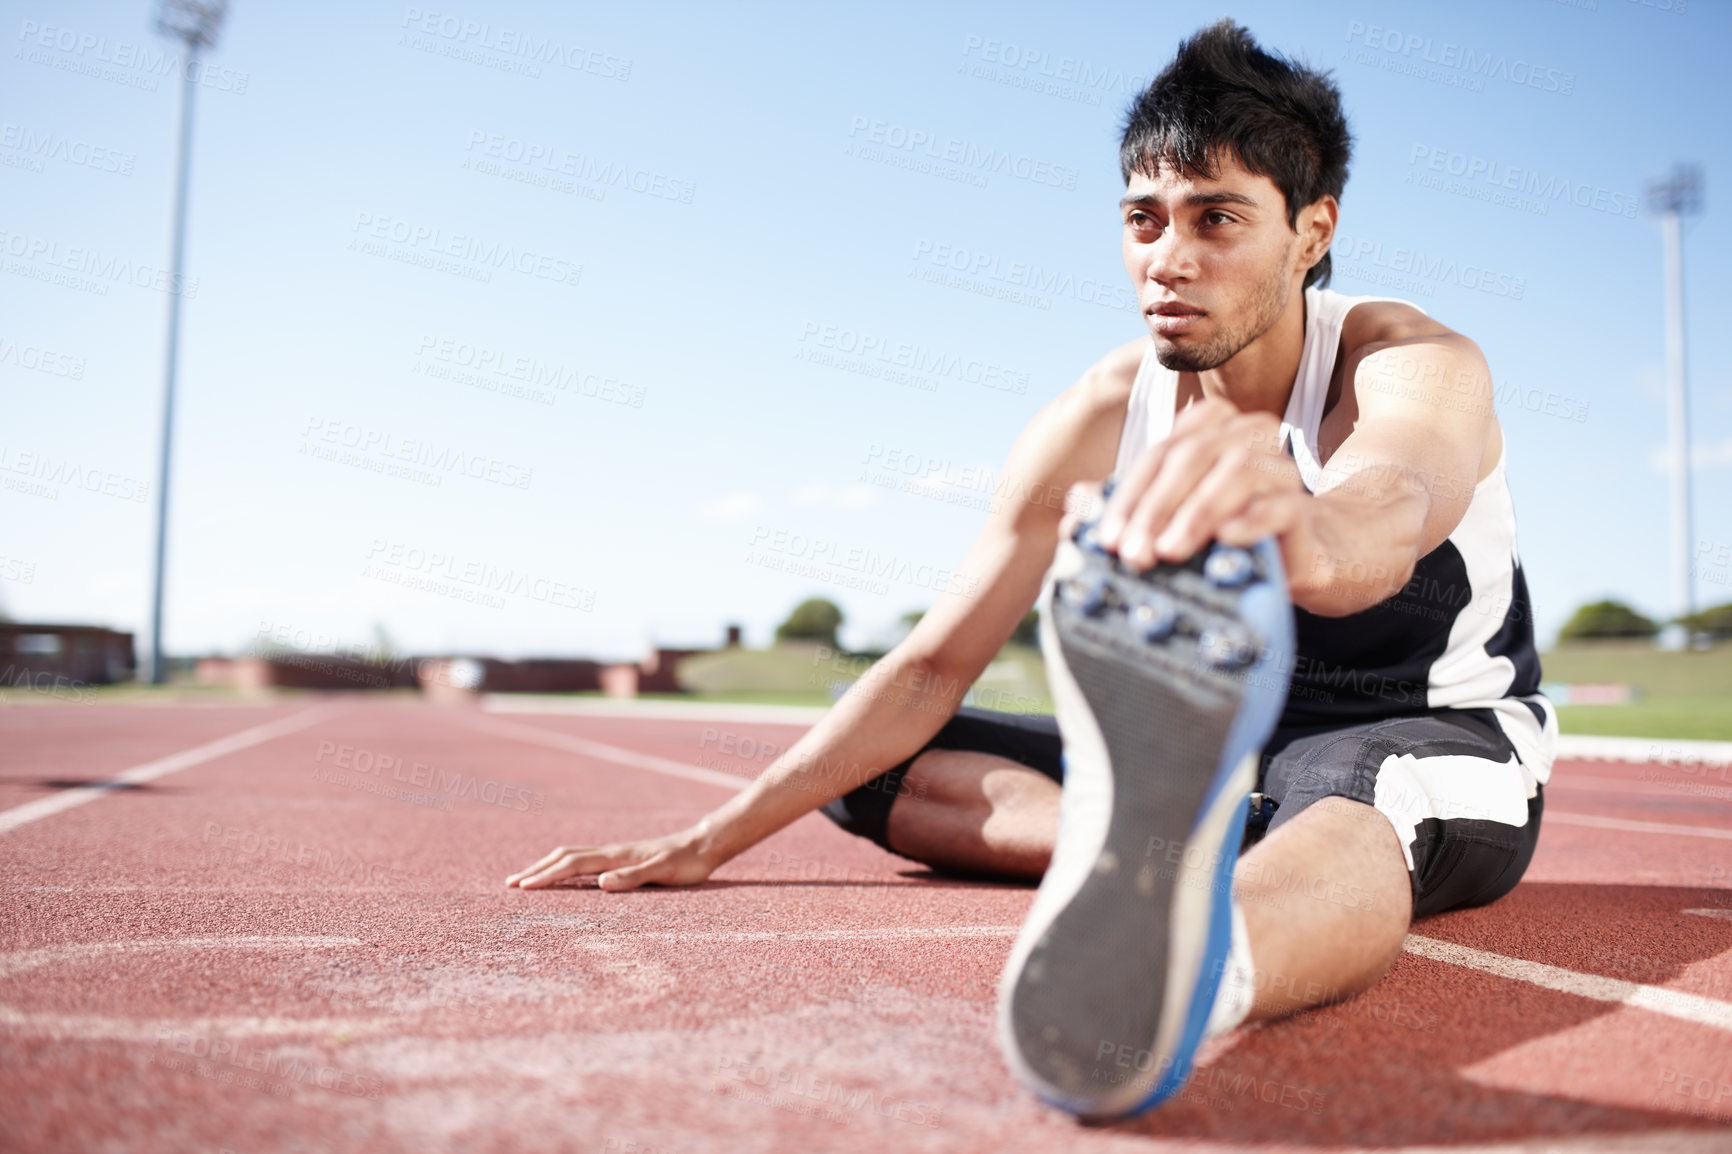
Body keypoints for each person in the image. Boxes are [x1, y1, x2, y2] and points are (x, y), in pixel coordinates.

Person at [507, 19, 1554, 1120]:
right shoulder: (1105, 410)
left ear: (1310, 230)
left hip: (1436, 733)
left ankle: (1196, 965)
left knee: (1359, 791)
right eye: (1142, 220)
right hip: (1228, 758)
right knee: (873, 764)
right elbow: (927, 667)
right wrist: (706, 840)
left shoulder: (1410, 363)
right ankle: (1196, 831)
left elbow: (1386, 515)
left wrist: (1296, 520)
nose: (1169, 257)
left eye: (1217, 219)